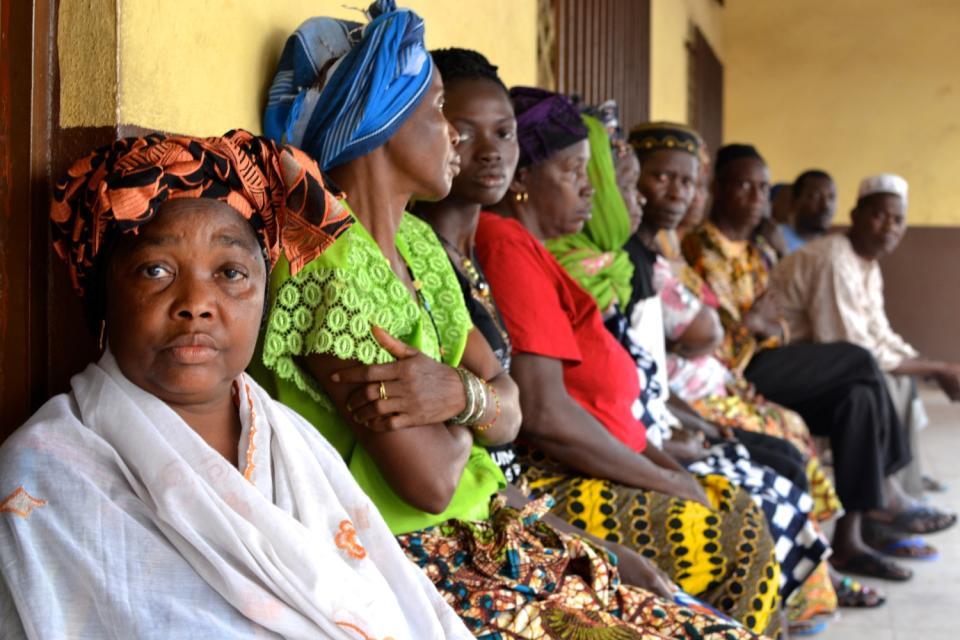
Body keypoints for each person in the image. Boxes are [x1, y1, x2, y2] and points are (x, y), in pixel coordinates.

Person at [259, 8, 763, 639]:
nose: (457, 140)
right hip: (419, 563)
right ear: (381, 119)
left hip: (494, 527)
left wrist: (456, 397)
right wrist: (475, 400)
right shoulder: (327, 264)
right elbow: (434, 483)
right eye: (441, 112)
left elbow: (512, 415)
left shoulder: (416, 245)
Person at [0, 130, 476, 639]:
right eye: (155, 270)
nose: (196, 302)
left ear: (264, 300)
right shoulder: (46, 472)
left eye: (230, 273)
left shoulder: (290, 442)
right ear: (103, 300)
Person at [475, 87, 783, 637]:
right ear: (522, 178)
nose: (592, 190)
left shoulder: (539, 253)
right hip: (552, 477)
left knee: (736, 506)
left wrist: (666, 469)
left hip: (592, 460)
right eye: (574, 171)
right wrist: (662, 478)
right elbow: (547, 413)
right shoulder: (505, 246)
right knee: (730, 531)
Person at [548, 111, 831, 609]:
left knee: (783, 456)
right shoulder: (598, 265)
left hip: (670, 413)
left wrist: (681, 432)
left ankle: (809, 586)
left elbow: (653, 370)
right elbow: (565, 407)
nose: (669, 194)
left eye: (686, 181)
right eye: (650, 181)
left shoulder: (623, 263)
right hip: (625, 439)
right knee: (755, 493)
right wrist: (668, 464)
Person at [680, 143, 954, 582]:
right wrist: (751, 326)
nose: (755, 197)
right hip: (736, 372)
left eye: (763, 188)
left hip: (775, 359)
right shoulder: (696, 248)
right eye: (743, 186)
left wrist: (764, 326)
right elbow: (706, 342)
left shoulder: (757, 253)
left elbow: (780, 325)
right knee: (861, 361)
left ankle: (850, 540)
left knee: (859, 397)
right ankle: (888, 490)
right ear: (717, 189)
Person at [772, 173, 960, 515]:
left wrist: (930, 365)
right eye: (878, 215)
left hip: (818, 361)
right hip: (780, 364)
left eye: (898, 219)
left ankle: (891, 499)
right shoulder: (833, 258)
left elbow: (881, 335)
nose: (889, 226)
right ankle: (885, 498)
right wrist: (937, 368)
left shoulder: (867, 265)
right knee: (879, 381)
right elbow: (851, 350)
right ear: (856, 215)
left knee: (893, 382)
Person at [778, 170, 837, 254]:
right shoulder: (775, 238)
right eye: (815, 197)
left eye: (831, 198)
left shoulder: (834, 248)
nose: (825, 206)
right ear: (794, 202)